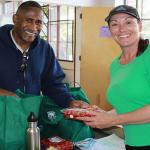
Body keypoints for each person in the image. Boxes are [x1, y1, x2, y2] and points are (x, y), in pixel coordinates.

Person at [76, 5, 150, 150]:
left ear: (139, 25)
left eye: (128, 22)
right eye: (115, 24)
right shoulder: (115, 65)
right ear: (110, 30)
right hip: (133, 143)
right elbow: (129, 105)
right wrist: (100, 114)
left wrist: (112, 120)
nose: (121, 29)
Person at [0, 1, 88, 108]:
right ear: (15, 19)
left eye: (38, 22)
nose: (33, 27)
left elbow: (52, 84)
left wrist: (69, 102)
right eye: (29, 20)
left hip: (30, 114)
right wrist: (8, 95)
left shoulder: (44, 49)